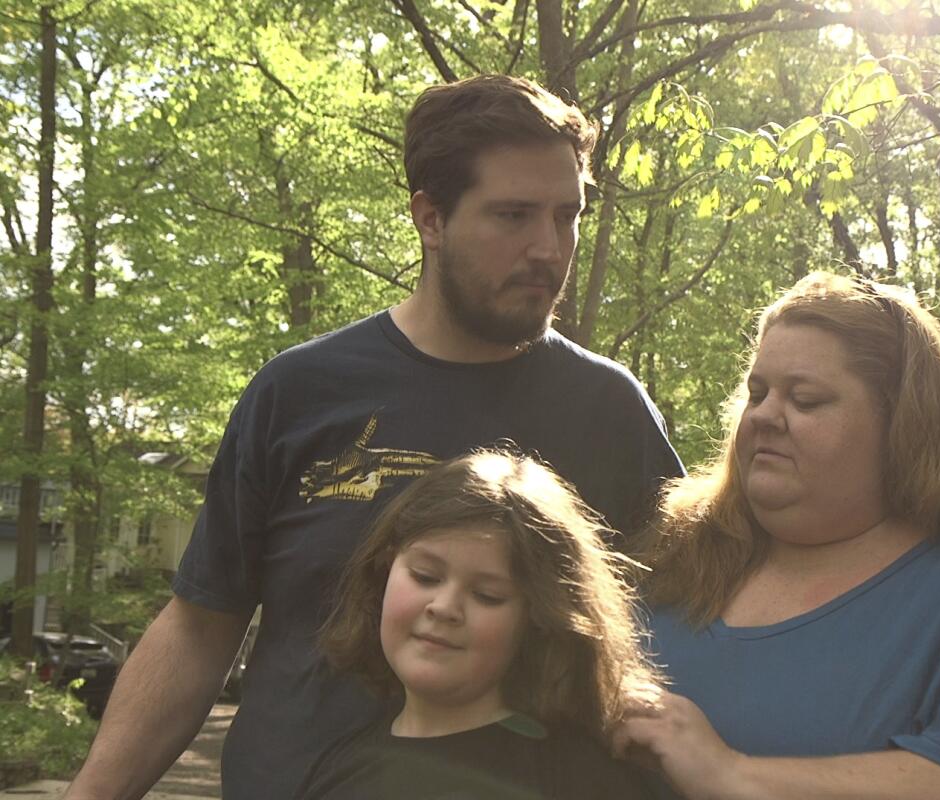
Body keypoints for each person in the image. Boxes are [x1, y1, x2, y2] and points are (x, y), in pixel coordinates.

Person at [65, 75, 683, 800]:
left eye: (566, 216)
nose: (549, 248)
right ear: (430, 218)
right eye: (514, 215)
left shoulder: (610, 411)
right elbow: (202, 626)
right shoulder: (299, 392)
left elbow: (693, 623)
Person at [618, 271, 940, 800]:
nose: (766, 414)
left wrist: (730, 773)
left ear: (901, 423)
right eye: (758, 392)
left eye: (806, 399)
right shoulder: (679, 548)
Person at [295, 449, 668, 799]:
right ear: (385, 568)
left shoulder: (579, 779)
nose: (444, 608)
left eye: (487, 595)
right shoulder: (340, 767)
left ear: (538, 619)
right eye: (425, 576)